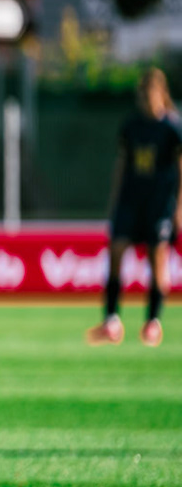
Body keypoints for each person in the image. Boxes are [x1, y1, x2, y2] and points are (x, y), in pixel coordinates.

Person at [88, 67, 182, 347]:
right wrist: (114, 200)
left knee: (157, 260)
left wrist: (179, 207)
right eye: (141, 94)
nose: (144, 100)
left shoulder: (172, 128)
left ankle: (153, 323)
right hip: (131, 200)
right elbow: (122, 165)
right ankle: (112, 321)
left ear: (160, 94)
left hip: (159, 203)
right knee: (116, 251)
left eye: (149, 94)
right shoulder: (130, 126)